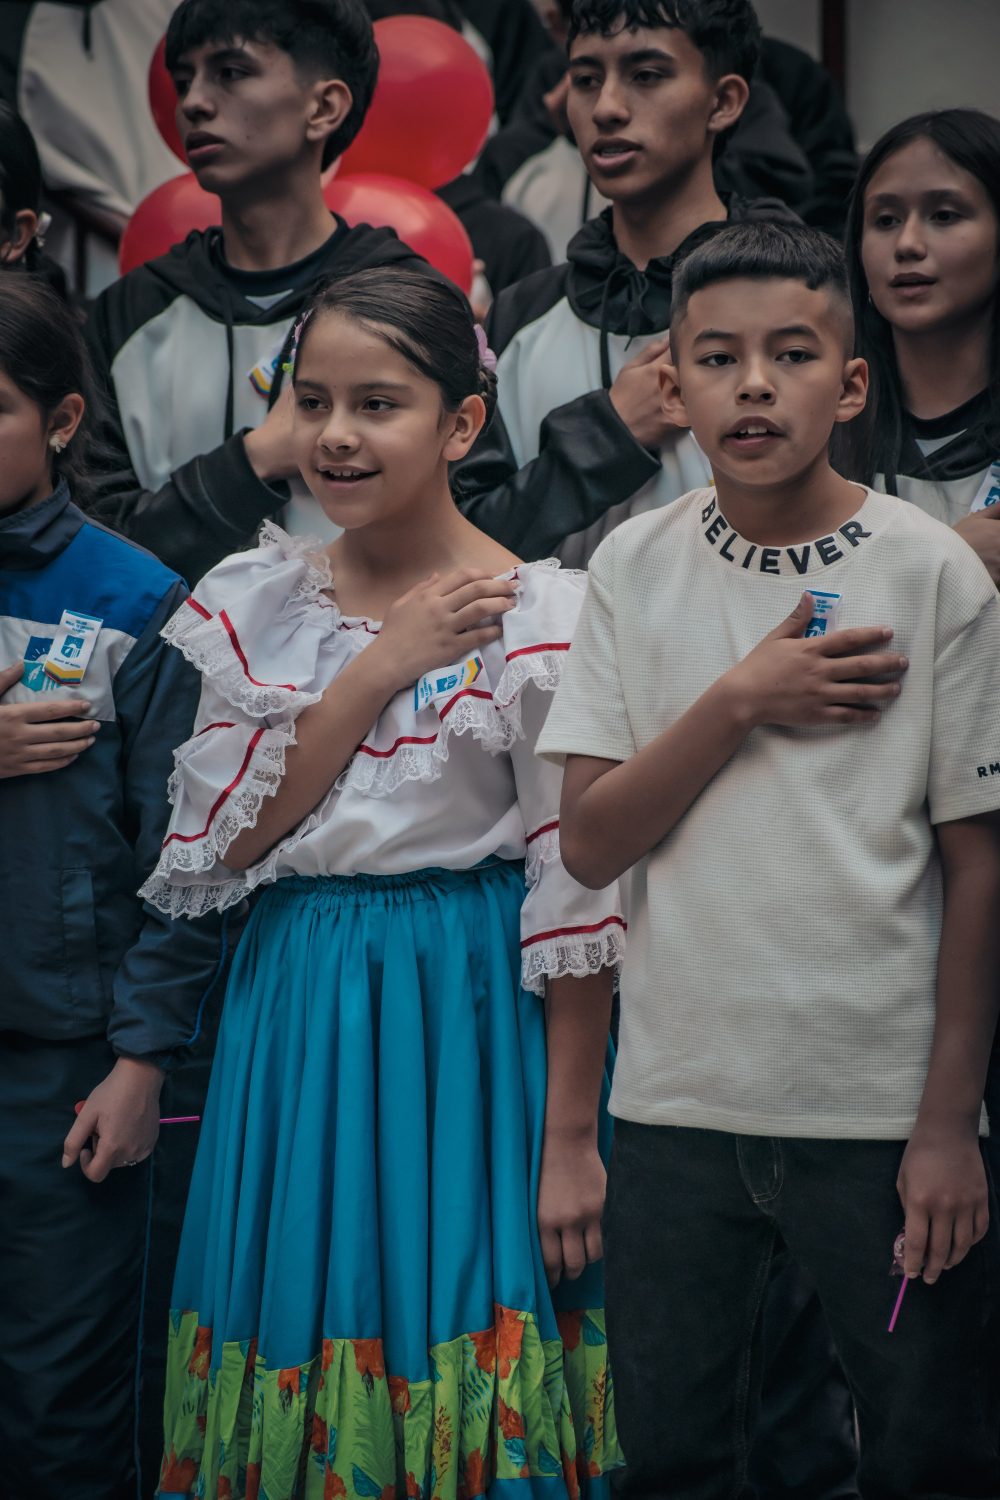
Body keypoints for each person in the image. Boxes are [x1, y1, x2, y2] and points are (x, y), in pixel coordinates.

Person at [142, 267, 624, 1498]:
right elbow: (229, 845)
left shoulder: (541, 616)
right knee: (308, 1282)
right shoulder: (259, 599)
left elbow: (575, 892)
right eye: (312, 402)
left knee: (449, 1280)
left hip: (464, 1005)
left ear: (461, 423)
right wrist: (377, 666)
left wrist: (571, 1137)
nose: (337, 436)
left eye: (378, 403)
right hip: (296, 997)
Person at [538, 219, 1000, 1496]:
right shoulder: (632, 563)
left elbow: (979, 867)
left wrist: (948, 1124)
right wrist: (740, 698)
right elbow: (589, 841)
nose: (752, 385)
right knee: (679, 1460)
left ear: (848, 385)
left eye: (791, 355)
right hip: (676, 1110)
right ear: (672, 386)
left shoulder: (928, 570)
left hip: (878, 1116)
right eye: (717, 358)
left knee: (928, 1453)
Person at [0, 275, 228, 1500]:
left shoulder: (137, 603)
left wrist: (141, 1060)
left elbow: (191, 862)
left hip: (64, 1071)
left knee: (62, 1409)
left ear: (64, 420)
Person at [86, 0, 432, 586]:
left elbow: (460, 516)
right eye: (184, 80)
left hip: (380, 641)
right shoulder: (129, 311)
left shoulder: (407, 299)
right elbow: (94, 543)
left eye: (231, 71)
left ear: (324, 107)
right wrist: (253, 461)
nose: (192, 102)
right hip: (161, 646)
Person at [451, 0, 799, 569]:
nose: (606, 107)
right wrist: (609, 434)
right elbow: (459, 549)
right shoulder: (523, 313)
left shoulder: (800, 297)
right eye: (586, 79)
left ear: (723, 102)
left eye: (647, 75)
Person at [836, 109, 1000, 579]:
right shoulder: (819, 421)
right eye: (885, 220)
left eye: (944, 215)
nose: (907, 243)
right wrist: (946, 561)